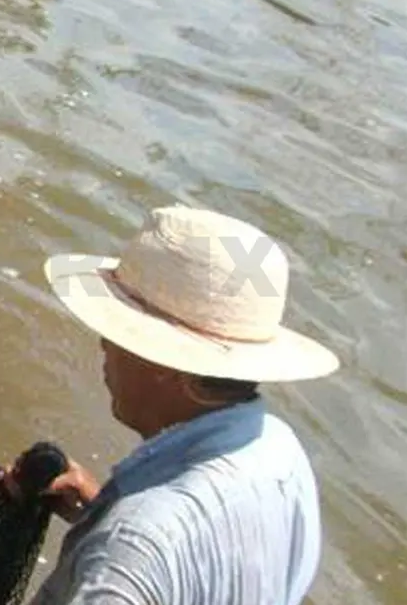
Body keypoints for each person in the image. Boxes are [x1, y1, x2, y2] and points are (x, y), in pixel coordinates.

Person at [27, 204, 339, 605]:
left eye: (119, 334)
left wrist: (126, 532)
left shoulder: (128, 554)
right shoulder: (280, 453)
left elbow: (145, 552)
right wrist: (104, 509)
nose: (105, 345)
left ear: (164, 364)